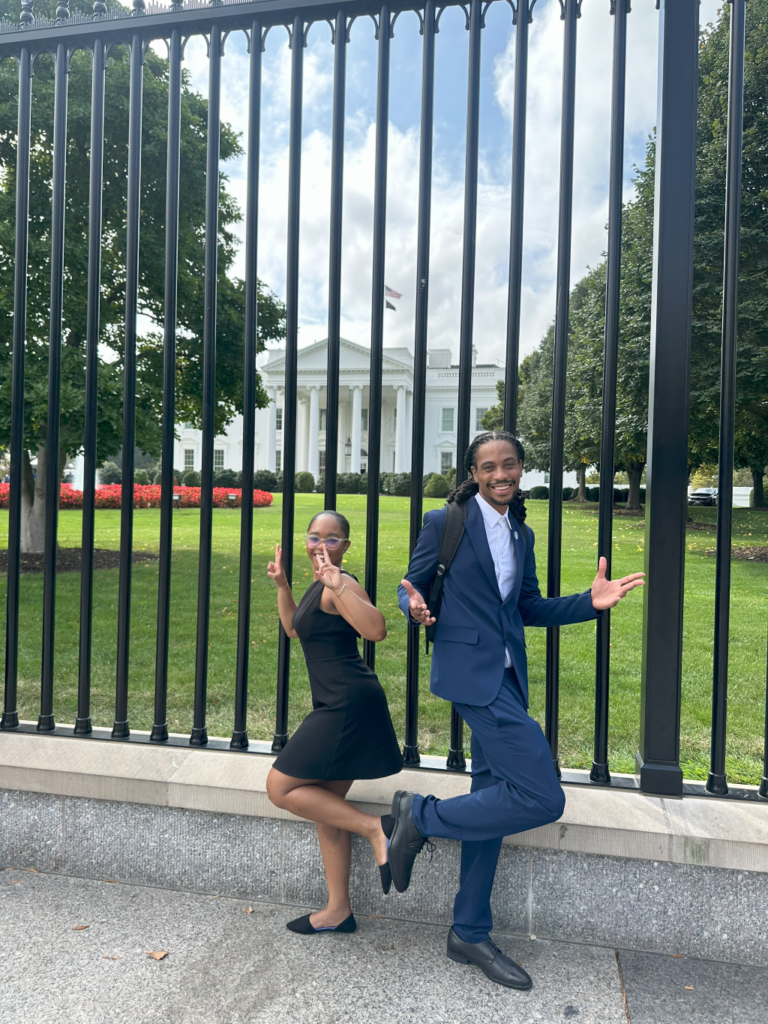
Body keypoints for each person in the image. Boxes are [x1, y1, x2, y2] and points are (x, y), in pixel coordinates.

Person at [392, 431, 644, 990]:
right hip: (470, 677)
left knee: (493, 804)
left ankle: (468, 932)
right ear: (474, 473)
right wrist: (415, 607)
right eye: (488, 467)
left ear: (522, 470)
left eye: (509, 465)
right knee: (541, 795)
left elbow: (526, 606)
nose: (500, 473)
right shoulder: (446, 521)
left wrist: (590, 602)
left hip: (507, 677)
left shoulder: (521, 532)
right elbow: (414, 588)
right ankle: (420, 816)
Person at [266, 510, 403, 936]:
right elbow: (293, 629)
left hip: (345, 706)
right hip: (341, 702)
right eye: (313, 537)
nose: (320, 545)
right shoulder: (317, 586)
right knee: (328, 811)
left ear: (345, 546)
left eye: (331, 539)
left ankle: (377, 829)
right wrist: (283, 586)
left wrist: (338, 584)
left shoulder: (341, 584)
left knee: (280, 787)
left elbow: (376, 629)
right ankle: (338, 910)